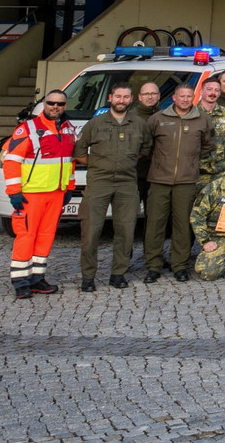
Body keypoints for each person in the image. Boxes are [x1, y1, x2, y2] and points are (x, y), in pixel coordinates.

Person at [1, 89, 76, 298]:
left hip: (55, 194)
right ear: (44, 104)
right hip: (31, 194)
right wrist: (14, 192)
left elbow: (70, 162)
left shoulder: (68, 129)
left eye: (60, 104)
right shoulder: (28, 129)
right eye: (51, 102)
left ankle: (37, 278)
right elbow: (11, 161)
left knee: (46, 237)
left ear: (65, 106)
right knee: (26, 236)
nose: (55, 107)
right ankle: (21, 282)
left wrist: (69, 187)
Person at [74, 82, 149, 291]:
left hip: (127, 182)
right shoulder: (95, 124)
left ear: (131, 99)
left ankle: (118, 274)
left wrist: (124, 162)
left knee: (125, 231)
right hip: (99, 181)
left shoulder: (139, 124)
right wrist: (100, 163)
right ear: (110, 98)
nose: (121, 101)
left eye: (126, 97)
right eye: (118, 97)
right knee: (91, 231)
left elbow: (145, 149)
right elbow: (79, 152)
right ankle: (88, 277)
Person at [144, 81, 214, 283]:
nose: (185, 100)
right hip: (159, 179)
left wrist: (190, 161)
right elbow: (148, 145)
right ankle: (153, 265)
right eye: (181, 96)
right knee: (155, 224)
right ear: (174, 98)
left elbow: (208, 144)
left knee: (182, 225)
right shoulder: (157, 119)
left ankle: (180, 265)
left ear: (194, 98)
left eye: (189, 96)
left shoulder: (203, 120)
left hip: (186, 180)